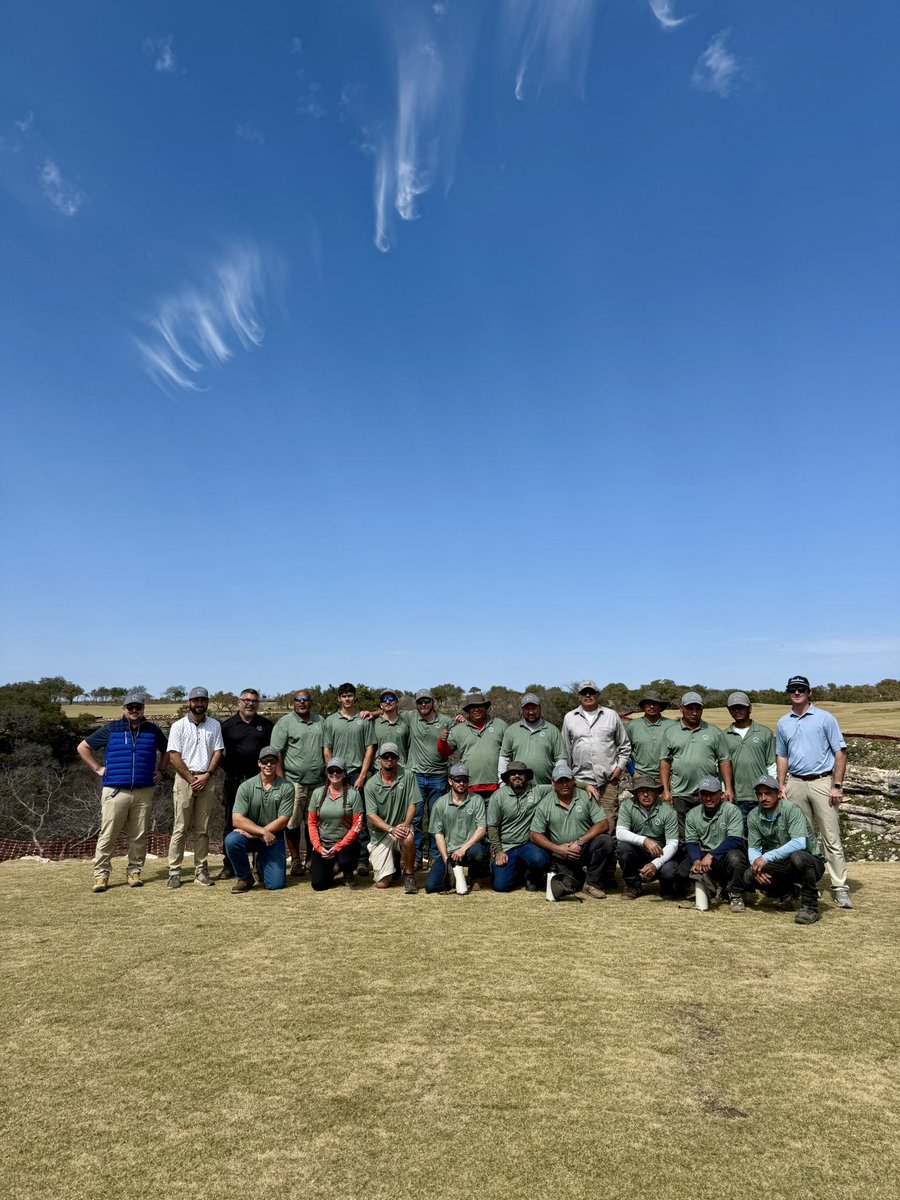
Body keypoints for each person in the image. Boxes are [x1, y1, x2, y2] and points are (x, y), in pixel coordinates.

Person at [77, 691, 168, 892]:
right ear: (123, 709)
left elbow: (167, 750)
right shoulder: (110, 729)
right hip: (115, 790)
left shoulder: (153, 730)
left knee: (139, 835)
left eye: (138, 707)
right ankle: (101, 876)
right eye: (130, 707)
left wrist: (161, 771)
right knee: (108, 835)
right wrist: (98, 768)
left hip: (143, 790)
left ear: (143, 709)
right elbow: (83, 747)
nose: (134, 711)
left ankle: (134, 872)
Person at [776, 675, 852, 910]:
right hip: (795, 783)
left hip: (822, 782)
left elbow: (840, 752)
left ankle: (840, 888)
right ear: (788, 693)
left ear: (809, 693)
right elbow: (782, 756)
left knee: (831, 838)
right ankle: (810, 885)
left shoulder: (825, 718)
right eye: (792, 689)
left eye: (801, 689)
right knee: (802, 839)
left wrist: (836, 785)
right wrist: (781, 785)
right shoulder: (783, 722)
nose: (796, 693)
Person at [561, 680, 630, 888]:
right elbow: (565, 752)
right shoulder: (569, 718)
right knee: (583, 826)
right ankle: (583, 871)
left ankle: (607, 875)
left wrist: (617, 770)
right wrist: (574, 781)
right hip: (581, 782)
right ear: (579, 696)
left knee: (608, 827)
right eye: (584, 693)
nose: (588, 695)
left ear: (597, 695)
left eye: (592, 692)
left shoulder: (610, 716)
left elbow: (624, 747)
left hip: (608, 781)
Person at [744, 774, 826, 925]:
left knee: (798, 857)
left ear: (778, 793)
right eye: (760, 794)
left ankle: (810, 906)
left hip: (809, 862)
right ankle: (788, 892)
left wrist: (766, 858)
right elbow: (754, 847)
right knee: (749, 875)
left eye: (768, 793)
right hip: (782, 864)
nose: (763, 798)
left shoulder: (791, 809)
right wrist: (756, 866)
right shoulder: (754, 815)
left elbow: (799, 843)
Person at [529, 761, 614, 900]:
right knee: (564, 887)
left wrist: (580, 842)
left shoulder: (586, 796)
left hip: (584, 849)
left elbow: (603, 824)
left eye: (567, 780)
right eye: (560, 781)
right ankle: (579, 878)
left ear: (573, 780)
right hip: (561, 854)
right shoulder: (545, 803)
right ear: (553, 783)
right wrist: (558, 849)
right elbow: (534, 834)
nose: (564, 784)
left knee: (606, 841)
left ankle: (592, 883)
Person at [166, 687, 225, 889]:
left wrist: (207, 775)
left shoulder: (215, 725)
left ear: (207, 702)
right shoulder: (178, 726)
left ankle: (201, 870)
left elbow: (218, 751)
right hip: (185, 779)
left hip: (207, 779)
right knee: (180, 828)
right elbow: (174, 756)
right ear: (189, 702)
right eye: (196, 700)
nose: (199, 704)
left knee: (203, 829)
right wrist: (192, 779)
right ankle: (174, 871)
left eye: (203, 700)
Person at [659, 691, 734, 841]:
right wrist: (666, 790)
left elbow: (724, 760)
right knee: (683, 835)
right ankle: (688, 862)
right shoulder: (671, 732)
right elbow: (665, 762)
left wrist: (728, 788)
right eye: (690, 708)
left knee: (708, 832)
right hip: (681, 793)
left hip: (708, 793)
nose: (694, 712)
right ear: (681, 708)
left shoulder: (713, 732)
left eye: (698, 709)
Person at [218, 689, 273, 880]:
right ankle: (229, 865)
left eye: (254, 701)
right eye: (246, 700)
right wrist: (229, 771)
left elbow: (272, 755)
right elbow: (218, 754)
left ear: (258, 703)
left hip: (259, 781)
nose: (250, 703)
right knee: (230, 822)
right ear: (239, 702)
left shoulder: (266, 726)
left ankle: (258, 865)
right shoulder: (227, 726)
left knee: (259, 821)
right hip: (234, 781)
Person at [271, 689, 327, 877]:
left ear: (311, 702)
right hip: (294, 782)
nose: (302, 702)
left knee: (314, 823)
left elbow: (326, 749)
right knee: (292, 823)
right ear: (293, 703)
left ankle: (312, 859)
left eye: (306, 699)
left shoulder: (320, 721)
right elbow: (277, 751)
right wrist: (282, 779)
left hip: (318, 782)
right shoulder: (285, 723)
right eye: (298, 700)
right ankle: (295, 860)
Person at [224, 747, 295, 893]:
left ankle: (260, 863)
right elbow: (236, 819)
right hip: (250, 835)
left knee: (276, 884)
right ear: (259, 763)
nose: (268, 765)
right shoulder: (246, 786)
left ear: (277, 763)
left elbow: (284, 820)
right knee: (231, 840)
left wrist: (260, 834)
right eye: (265, 761)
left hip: (273, 838)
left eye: (272, 761)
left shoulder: (287, 787)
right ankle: (244, 877)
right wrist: (262, 832)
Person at [684, 776, 749, 913]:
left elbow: (735, 839)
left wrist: (712, 855)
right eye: (705, 794)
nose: (708, 798)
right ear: (700, 796)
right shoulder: (692, 814)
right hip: (704, 853)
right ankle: (714, 887)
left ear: (721, 794)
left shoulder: (732, 810)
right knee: (682, 869)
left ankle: (736, 894)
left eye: (712, 794)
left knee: (736, 859)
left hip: (726, 854)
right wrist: (696, 859)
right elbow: (691, 841)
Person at [406, 688, 453, 868]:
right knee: (416, 819)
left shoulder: (446, 721)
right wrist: (371, 712)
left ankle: (435, 855)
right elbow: (390, 712)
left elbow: (455, 739)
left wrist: (461, 719)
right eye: (420, 702)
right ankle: (416, 857)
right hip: (416, 775)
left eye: (426, 701)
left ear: (432, 702)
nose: (423, 705)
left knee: (437, 818)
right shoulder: (411, 717)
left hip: (438, 776)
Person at [364, 743, 420, 893]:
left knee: (408, 837)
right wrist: (390, 829)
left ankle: (408, 875)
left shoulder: (408, 775)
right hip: (382, 833)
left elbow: (412, 804)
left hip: (401, 827)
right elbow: (371, 815)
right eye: (385, 756)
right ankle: (394, 862)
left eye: (393, 756)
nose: (389, 759)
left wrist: (406, 824)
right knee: (382, 884)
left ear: (398, 759)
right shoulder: (370, 785)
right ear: (379, 760)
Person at [615, 775, 681, 901]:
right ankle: (632, 885)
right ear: (635, 793)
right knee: (623, 847)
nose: (645, 794)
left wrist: (655, 864)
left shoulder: (668, 811)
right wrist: (644, 840)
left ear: (656, 792)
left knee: (670, 870)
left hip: (661, 854)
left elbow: (673, 844)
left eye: (649, 790)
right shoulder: (627, 805)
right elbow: (620, 832)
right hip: (638, 852)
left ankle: (666, 886)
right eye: (641, 791)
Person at [426, 763, 489, 894]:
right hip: (449, 852)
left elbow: (481, 829)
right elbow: (438, 834)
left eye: (464, 780)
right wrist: (446, 861)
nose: (461, 783)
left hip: (469, 849)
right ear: (450, 781)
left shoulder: (477, 800)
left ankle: (474, 876)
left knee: (478, 851)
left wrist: (463, 849)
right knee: (431, 887)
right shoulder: (440, 804)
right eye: (457, 780)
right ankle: (454, 876)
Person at [487, 760, 549, 892]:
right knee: (501, 886)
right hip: (506, 846)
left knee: (541, 859)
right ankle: (513, 871)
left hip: (527, 844)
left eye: (521, 773)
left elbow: (560, 786)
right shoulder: (498, 796)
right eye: (512, 773)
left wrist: (586, 787)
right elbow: (492, 827)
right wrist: (498, 851)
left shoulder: (536, 790)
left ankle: (530, 877)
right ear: (508, 778)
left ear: (526, 776)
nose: (517, 776)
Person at [307, 758, 365, 891]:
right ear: (327, 773)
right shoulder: (317, 793)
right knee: (318, 885)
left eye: (338, 770)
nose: (334, 774)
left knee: (346, 857)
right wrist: (318, 846)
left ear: (344, 773)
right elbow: (311, 822)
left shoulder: (353, 794)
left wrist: (338, 846)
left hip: (345, 846)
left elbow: (357, 825)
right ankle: (332, 868)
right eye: (331, 770)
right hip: (323, 845)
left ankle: (346, 871)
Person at [722, 691, 776, 827]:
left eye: (741, 707)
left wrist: (773, 791)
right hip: (736, 797)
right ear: (729, 710)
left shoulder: (764, 733)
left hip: (761, 796)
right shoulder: (723, 736)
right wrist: (725, 790)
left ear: (749, 708)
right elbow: (722, 766)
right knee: (740, 836)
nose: (738, 710)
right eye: (734, 708)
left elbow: (771, 764)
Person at [437, 692, 506, 798]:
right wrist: (442, 741)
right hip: (469, 788)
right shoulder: (458, 729)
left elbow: (510, 752)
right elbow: (444, 752)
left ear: (486, 707)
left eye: (480, 706)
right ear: (468, 710)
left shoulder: (500, 725)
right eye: (472, 707)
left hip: (497, 788)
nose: (476, 709)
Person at [498, 693, 564, 784]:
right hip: (519, 788)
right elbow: (504, 758)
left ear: (540, 708)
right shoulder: (511, 730)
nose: (531, 712)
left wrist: (559, 779)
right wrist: (502, 782)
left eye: (534, 708)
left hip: (546, 787)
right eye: (527, 708)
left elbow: (561, 759)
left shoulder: (553, 730)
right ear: (522, 710)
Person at [625, 690, 675, 780]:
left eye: (655, 703)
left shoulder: (672, 725)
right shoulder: (633, 725)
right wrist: (632, 772)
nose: (651, 706)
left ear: (660, 706)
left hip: (668, 777)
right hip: (641, 777)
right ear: (643, 706)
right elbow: (624, 750)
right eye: (648, 703)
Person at [371, 690, 410, 761]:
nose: (387, 702)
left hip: (401, 768)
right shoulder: (373, 723)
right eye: (384, 700)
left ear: (397, 703)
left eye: (391, 699)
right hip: (379, 768)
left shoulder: (405, 723)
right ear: (381, 705)